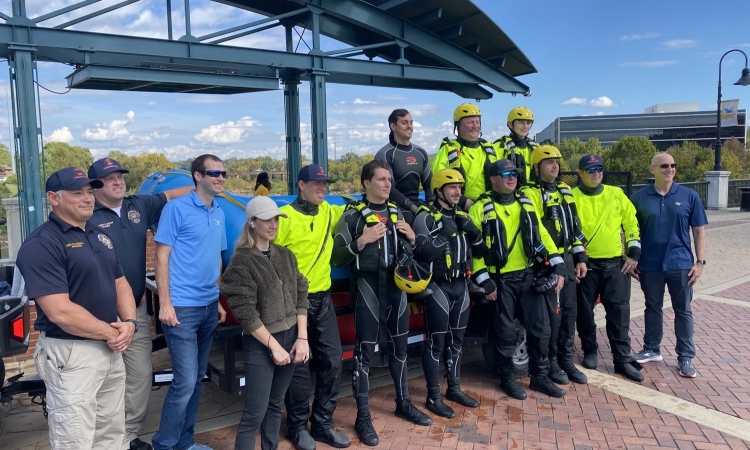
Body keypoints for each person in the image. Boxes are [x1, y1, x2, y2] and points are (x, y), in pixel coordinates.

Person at [16, 167, 137, 449]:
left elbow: (121, 283)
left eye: (89, 191)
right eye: (76, 193)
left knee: (112, 433)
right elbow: (60, 312)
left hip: (111, 347)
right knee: (75, 438)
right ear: (53, 198)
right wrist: (113, 332)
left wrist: (130, 322)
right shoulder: (42, 245)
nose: (87, 198)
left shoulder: (99, 235)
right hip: (72, 354)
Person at [88, 157, 194, 450]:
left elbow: (172, 194)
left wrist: (204, 185)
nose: (118, 182)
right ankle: (102, 439)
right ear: (94, 186)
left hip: (133, 311)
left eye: (120, 177)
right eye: (110, 179)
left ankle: (127, 436)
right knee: (103, 379)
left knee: (139, 375)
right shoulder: (85, 213)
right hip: (98, 315)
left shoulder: (138, 206)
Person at [332, 159, 431, 447]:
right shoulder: (352, 216)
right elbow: (336, 258)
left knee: (401, 348)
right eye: (382, 180)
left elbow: (409, 253)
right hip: (367, 287)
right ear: (366, 183)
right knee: (364, 353)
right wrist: (360, 242)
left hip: (396, 288)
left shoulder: (397, 212)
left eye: (390, 179)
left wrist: (412, 239)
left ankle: (403, 402)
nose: (388, 184)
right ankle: (363, 416)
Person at [468, 159, 567, 399]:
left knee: (541, 330)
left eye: (514, 173)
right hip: (501, 281)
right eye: (505, 174)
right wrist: (484, 281)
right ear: (493, 179)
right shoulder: (479, 208)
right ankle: (507, 379)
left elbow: (541, 233)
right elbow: (474, 249)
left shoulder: (526, 202)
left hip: (528, 275)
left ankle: (540, 377)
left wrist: (558, 263)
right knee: (504, 333)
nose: (512, 178)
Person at [152, 154, 228, 450]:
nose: (220, 178)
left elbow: (217, 259)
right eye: (214, 173)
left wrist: (219, 300)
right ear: (197, 176)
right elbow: (161, 256)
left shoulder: (219, 210)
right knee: (184, 382)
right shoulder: (175, 209)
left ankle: (185, 441)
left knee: (197, 379)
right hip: (182, 308)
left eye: (223, 173)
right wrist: (165, 304)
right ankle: (164, 444)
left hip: (209, 306)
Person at [221, 196, 310, 450]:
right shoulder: (242, 261)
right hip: (261, 344)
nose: (273, 225)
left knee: (275, 404)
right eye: (266, 220)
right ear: (251, 223)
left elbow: (301, 293)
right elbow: (245, 313)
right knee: (255, 412)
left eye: (276, 219)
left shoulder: (286, 255)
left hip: (292, 338)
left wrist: (302, 338)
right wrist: (273, 346)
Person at [276, 164, 350, 450]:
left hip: (322, 299)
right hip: (294, 302)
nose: (322, 188)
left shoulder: (330, 212)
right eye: (316, 184)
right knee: (298, 366)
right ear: (301, 185)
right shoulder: (285, 218)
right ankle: (296, 426)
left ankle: (322, 424)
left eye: (325, 184)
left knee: (333, 360)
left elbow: (359, 211)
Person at [412, 169, 484, 418]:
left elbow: (481, 251)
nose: (457, 192)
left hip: (461, 286)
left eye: (460, 187)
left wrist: (474, 233)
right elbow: (422, 254)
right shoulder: (425, 217)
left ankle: (453, 388)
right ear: (439, 190)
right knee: (436, 342)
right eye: (452, 187)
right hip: (438, 287)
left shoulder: (463, 215)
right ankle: (433, 396)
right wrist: (444, 233)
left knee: (456, 342)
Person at [630, 152, 708, 378]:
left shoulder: (689, 195)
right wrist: (630, 256)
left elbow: (699, 231)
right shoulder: (638, 197)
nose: (670, 169)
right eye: (664, 165)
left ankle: (685, 357)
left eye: (673, 165)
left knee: (683, 310)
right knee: (652, 307)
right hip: (650, 264)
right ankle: (652, 349)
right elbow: (627, 230)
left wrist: (700, 262)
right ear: (652, 169)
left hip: (681, 264)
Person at [571, 154, 644, 382]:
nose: (596, 173)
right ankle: (589, 350)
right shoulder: (571, 197)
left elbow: (631, 222)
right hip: (586, 265)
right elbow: (571, 230)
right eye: (590, 169)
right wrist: (579, 257)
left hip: (615, 265)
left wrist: (633, 253)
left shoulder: (616, 194)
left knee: (619, 313)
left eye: (599, 168)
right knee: (584, 312)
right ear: (580, 173)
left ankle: (621, 359)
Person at [520, 145, 589, 386]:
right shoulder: (528, 193)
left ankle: (566, 360)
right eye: (549, 162)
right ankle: (551, 363)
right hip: (546, 262)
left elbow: (575, 226)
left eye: (557, 162)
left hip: (567, 259)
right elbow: (536, 228)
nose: (555, 166)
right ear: (536, 166)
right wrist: (555, 261)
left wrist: (580, 257)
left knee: (569, 312)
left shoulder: (565, 190)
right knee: (552, 317)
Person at [431, 103, 499, 211]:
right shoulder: (448, 149)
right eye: (470, 122)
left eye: (477, 122)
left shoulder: (489, 148)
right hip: (458, 207)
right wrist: (462, 201)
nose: (475, 126)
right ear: (458, 125)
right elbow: (437, 179)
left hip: (489, 206)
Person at [374, 109, 433, 225]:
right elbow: (388, 189)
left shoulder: (420, 152)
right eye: (404, 122)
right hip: (395, 207)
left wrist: (431, 205)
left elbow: (429, 184)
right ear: (393, 126)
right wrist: (413, 208)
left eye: (411, 122)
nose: (409, 126)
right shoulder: (385, 154)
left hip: (417, 205)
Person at [493, 107, 538, 186]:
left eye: (528, 123)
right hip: (509, 193)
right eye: (521, 122)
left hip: (532, 193)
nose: (525, 126)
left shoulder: (535, 148)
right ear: (510, 125)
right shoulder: (501, 146)